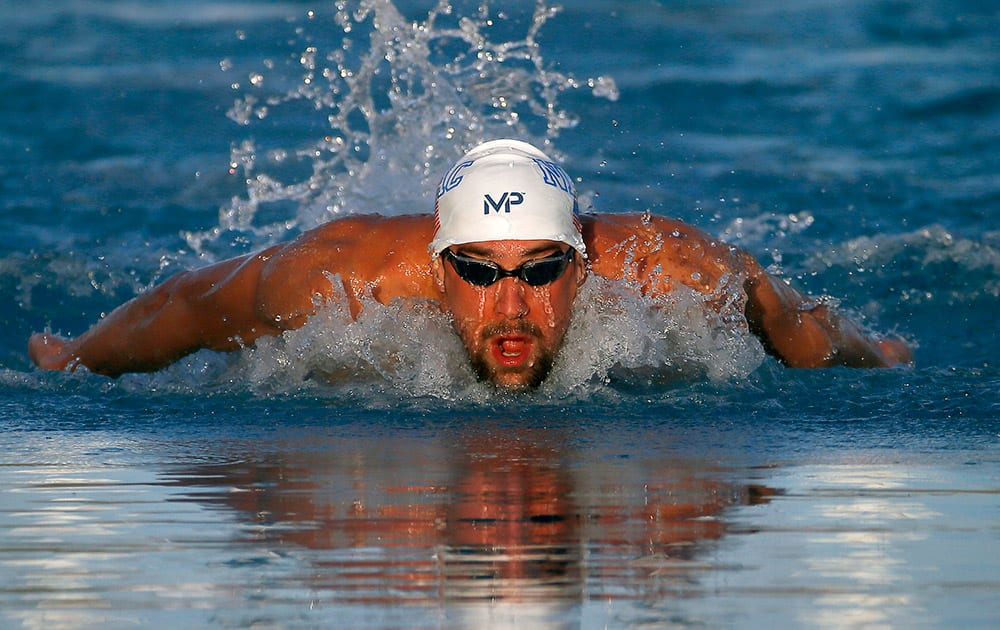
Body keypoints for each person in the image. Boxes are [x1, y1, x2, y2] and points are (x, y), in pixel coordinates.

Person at [28, 139, 912, 389]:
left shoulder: (672, 273)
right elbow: (180, 308)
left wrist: (880, 354)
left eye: (540, 271)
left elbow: (794, 322)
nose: (513, 305)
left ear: (581, 264)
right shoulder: (343, 280)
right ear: (438, 266)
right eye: (483, 274)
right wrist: (73, 358)